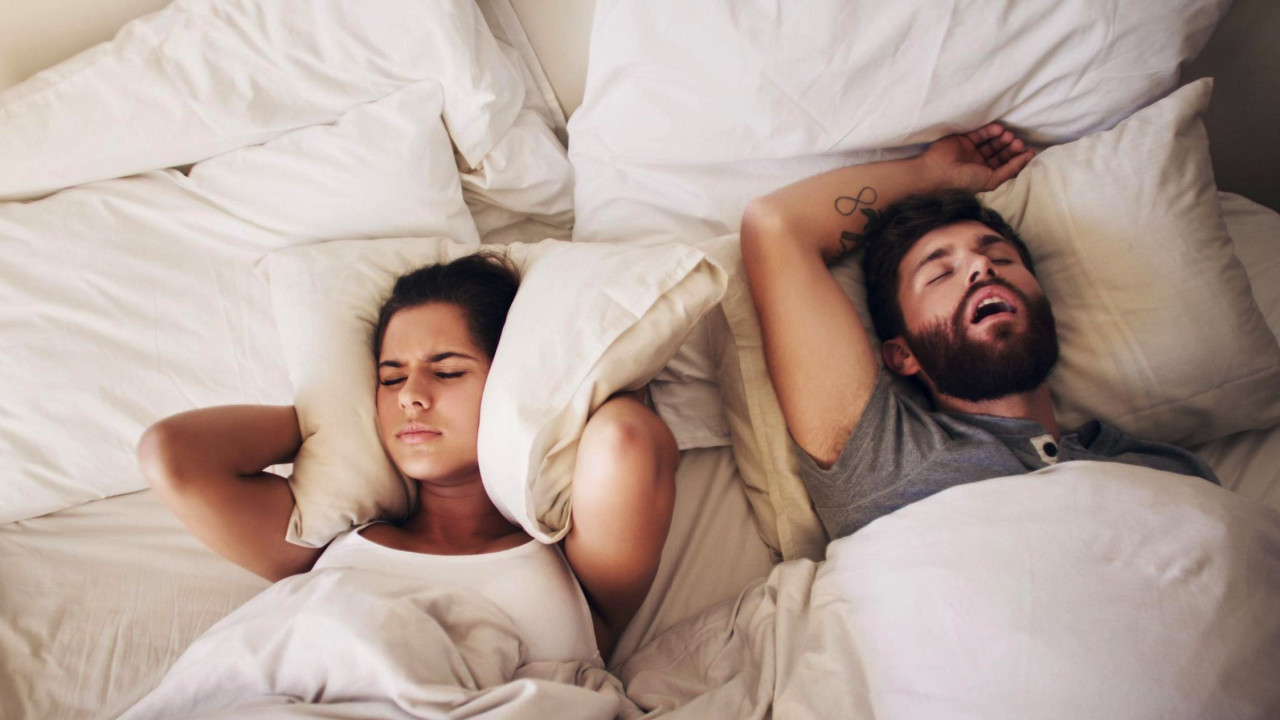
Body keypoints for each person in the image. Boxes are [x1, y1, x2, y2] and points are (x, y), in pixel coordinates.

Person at [137, 252, 678, 662]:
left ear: (510, 381)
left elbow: (626, 439)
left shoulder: (579, 567)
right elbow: (173, 455)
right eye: (390, 377)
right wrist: (331, 423)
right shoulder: (315, 546)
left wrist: (541, 404)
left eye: (446, 371)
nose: (408, 396)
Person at [740, 123, 1218, 540]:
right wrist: (931, 175)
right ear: (903, 354)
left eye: (1001, 256)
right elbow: (777, 227)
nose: (980, 266)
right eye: (939, 273)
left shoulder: (1162, 469)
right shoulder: (884, 459)